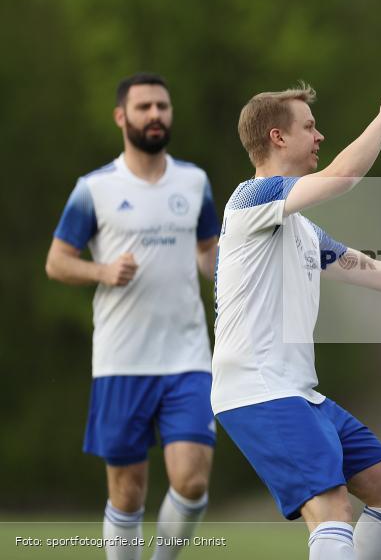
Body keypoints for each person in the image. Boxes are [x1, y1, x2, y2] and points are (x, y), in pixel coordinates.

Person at [213, 77, 381, 560]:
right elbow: (343, 176)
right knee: (332, 511)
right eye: (309, 126)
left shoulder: (301, 227)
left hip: (296, 391)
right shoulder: (252, 197)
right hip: (258, 389)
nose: (319, 135)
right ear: (277, 137)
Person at [46, 73, 220, 560]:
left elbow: (208, 254)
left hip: (188, 356)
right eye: (144, 107)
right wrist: (102, 270)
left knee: (192, 480)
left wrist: (237, 278)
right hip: (122, 359)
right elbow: (56, 262)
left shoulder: (194, 181)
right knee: (128, 492)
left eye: (163, 106)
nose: (155, 115)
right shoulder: (94, 188)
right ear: (122, 117)